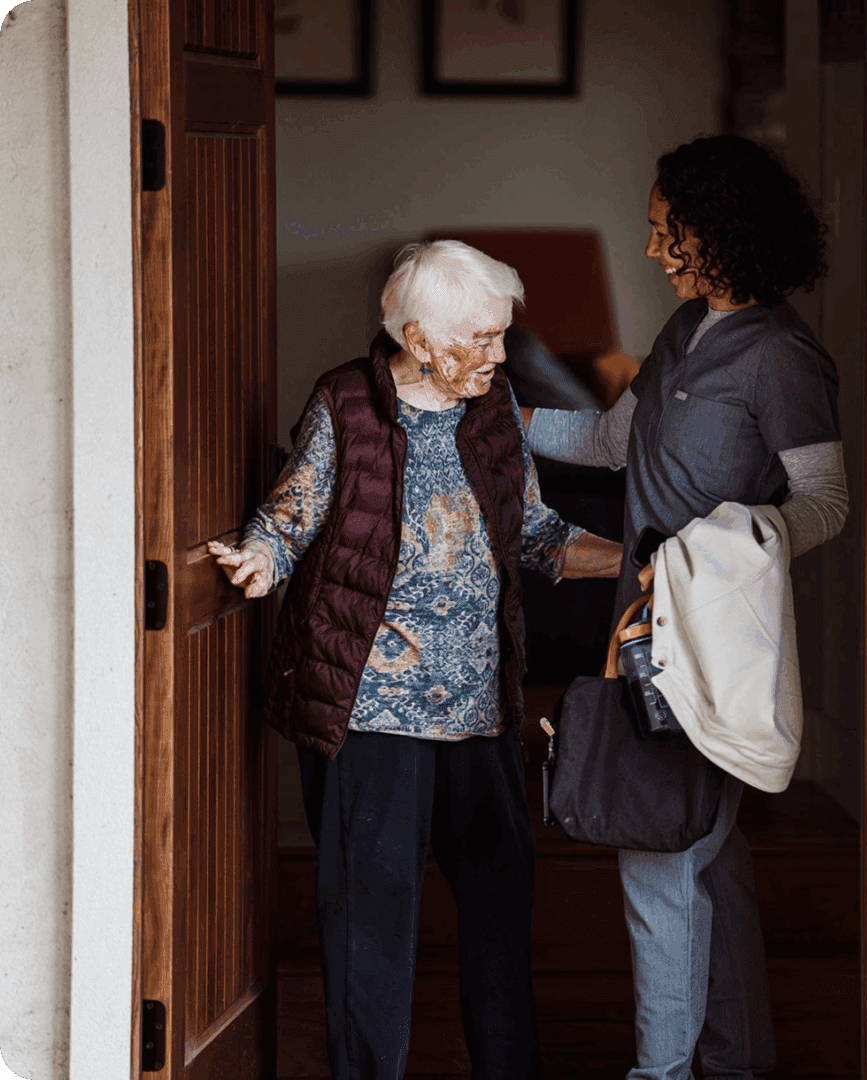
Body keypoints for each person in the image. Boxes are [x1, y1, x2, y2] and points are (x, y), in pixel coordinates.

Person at [209, 240, 623, 1080]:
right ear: (419, 335)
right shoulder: (347, 402)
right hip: (369, 711)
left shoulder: (493, 402)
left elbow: (534, 532)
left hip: (480, 708)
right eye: (483, 337)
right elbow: (293, 514)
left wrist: (645, 555)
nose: (501, 355)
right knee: (371, 923)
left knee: (502, 911)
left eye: (504, 335)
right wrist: (259, 556)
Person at [524, 135, 849, 1080]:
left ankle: (658, 1073)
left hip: (708, 636)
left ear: (729, 234)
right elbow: (611, 444)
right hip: (641, 628)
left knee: (659, 858)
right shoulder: (682, 329)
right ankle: (732, 1063)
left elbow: (822, 505)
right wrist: (487, 412)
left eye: (672, 232)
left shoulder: (783, 356)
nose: (653, 250)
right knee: (704, 859)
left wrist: (716, 550)